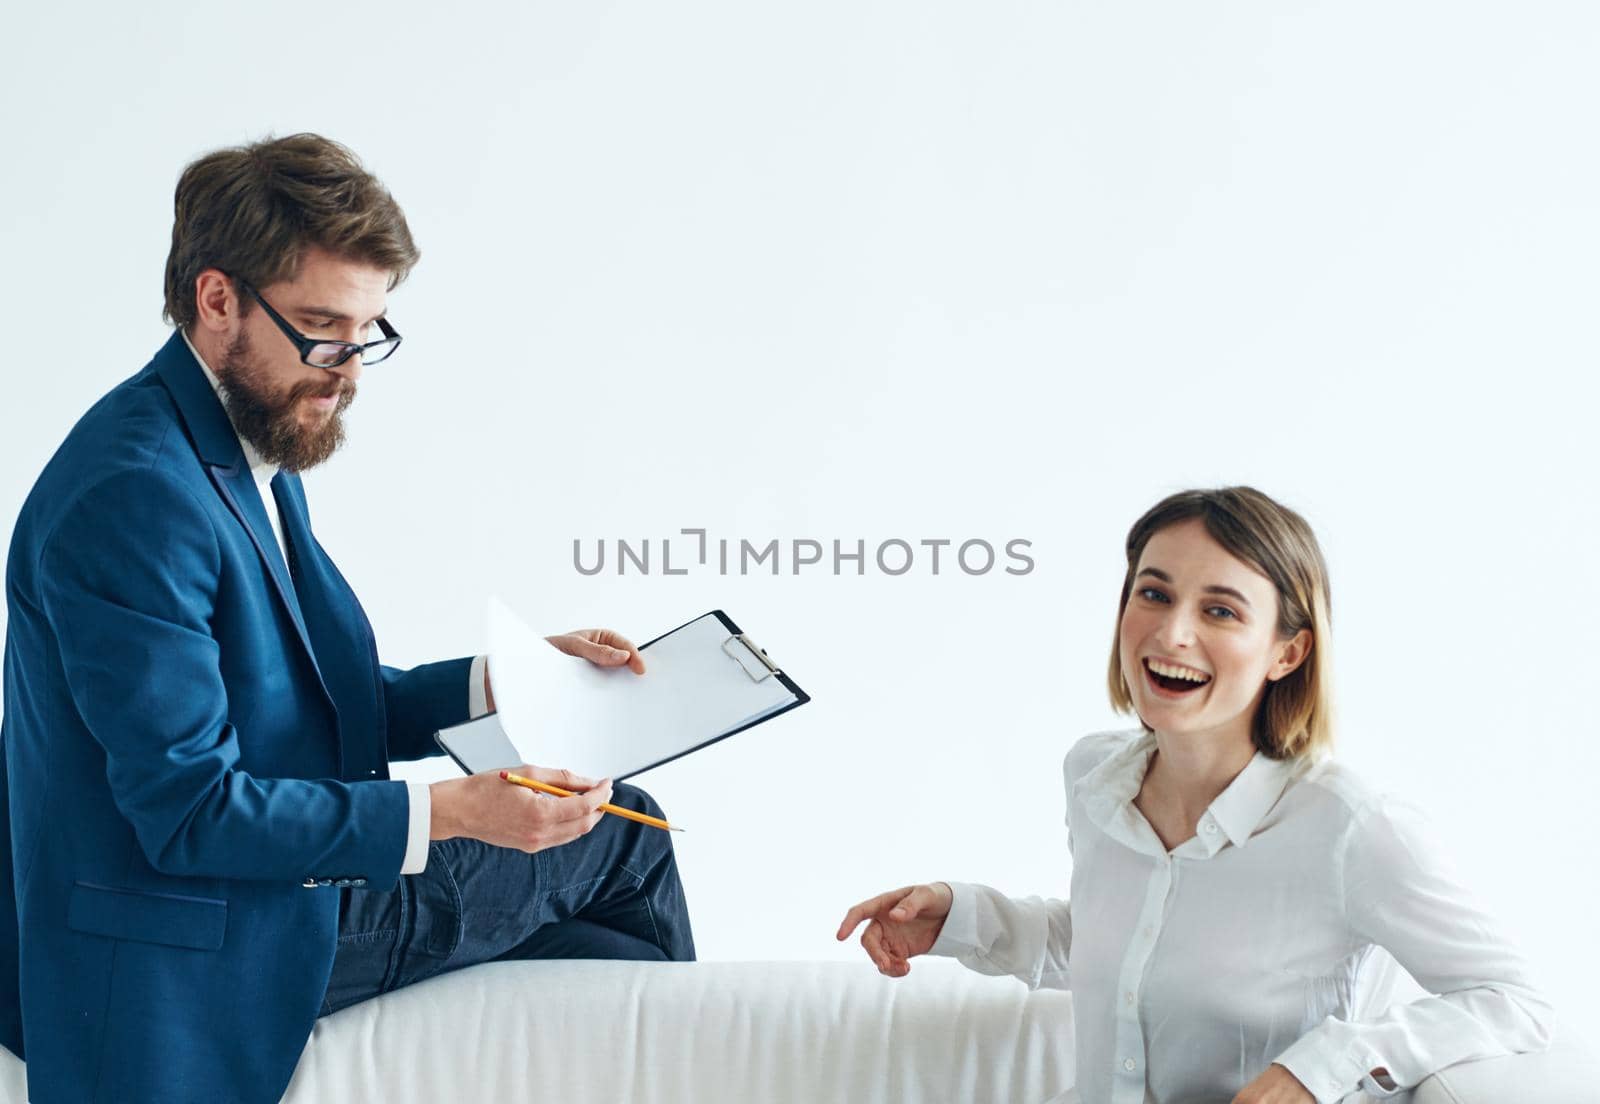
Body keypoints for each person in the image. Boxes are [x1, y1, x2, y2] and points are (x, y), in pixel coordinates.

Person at [0, 133, 693, 1104]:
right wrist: (455, 811)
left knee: (590, 918)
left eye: (370, 332)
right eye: (324, 331)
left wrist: (510, 678)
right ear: (216, 299)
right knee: (625, 837)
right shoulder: (137, 497)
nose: (351, 370)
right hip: (190, 946)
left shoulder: (234, 438)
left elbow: (300, 702)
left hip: (248, 892)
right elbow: (191, 814)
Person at [837, 487, 1553, 1104]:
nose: (1171, 633)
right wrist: (959, 918)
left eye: (1221, 611)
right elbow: (1120, 945)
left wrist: (1319, 1069)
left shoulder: (1350, 827)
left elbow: (1512, 1000)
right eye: (1154, 594)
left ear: (1288, 651)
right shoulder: (1093, 776)